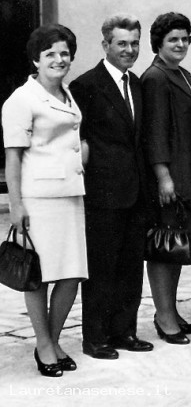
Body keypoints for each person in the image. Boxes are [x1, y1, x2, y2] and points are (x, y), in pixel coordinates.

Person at [2, 24, 87, 377]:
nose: (59, 59)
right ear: (36, 59)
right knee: (38, 275)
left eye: (65, 53)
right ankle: (44, 344)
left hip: (71, 194)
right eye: (50, 53)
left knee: (71, 274)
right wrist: (16, 205)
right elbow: (12, 158)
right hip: (39, 199)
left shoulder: (67, 94)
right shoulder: (22, 99)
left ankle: (50, 340)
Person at [69, 14, 153, 361]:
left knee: (131, 266)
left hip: (135, 191)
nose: (129, 50)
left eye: (134, 43)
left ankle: (124, 331)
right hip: (102, 193)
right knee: (102, 267)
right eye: (122, 43)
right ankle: (96, 337)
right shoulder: (86, 86)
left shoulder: (137, 84)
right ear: (105, 45)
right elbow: (79, 141)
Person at [141, 12, 191, 344]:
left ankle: (170, 311)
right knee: (164, 245)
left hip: (188, 170)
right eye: (173, 39)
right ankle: (164, 316)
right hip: (170, 175)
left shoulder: (183, 73)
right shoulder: (155, 77)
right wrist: (163, 176)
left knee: (177, 244)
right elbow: (154, 131)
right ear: (159, 43)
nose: (181, 44)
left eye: (185, 38)